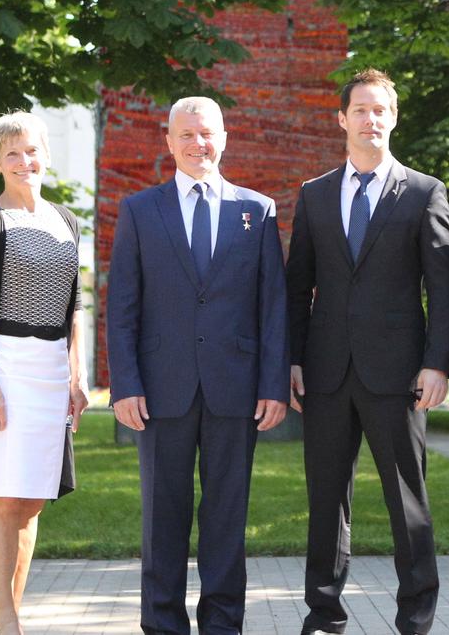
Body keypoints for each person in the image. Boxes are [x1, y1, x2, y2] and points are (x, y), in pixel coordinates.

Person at [106, 96, 289, 635]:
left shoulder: (257, 210)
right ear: (168, 142)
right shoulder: (141, 210)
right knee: (163, 516)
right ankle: (162, 625)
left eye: (206, 133)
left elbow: (273, 306)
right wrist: (125, 384)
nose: (196, 144)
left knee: (226, 517)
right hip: (161, 389)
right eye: (185, 135)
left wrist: (274, 384)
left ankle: (223, 624)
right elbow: (123, 306)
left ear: (223, 137)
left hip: (236, 388)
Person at [287, 68, 449, 635]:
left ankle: (416, 618)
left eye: (380, 110)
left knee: (407, 502)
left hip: (400, 374)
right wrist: (291, 359)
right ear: (342, 119)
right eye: (359, 109)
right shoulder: (313, 195)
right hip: (327, 371)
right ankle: (323, 617)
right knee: (325, 504)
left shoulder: (423, 192)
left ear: (393, 118)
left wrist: (438, 363)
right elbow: (297, 285)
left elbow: (444, 286)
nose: (370, 119)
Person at [0, 111, 89, 635]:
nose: (25, 161)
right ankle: (6, 620)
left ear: (46, 156)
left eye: (32, 151)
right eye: (13, 154)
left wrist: (77, 377)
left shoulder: (66, 223)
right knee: (4, 494)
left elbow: (73, 307)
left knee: (32, 500)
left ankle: (4, 616)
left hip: (53, 370)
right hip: (6, 366)